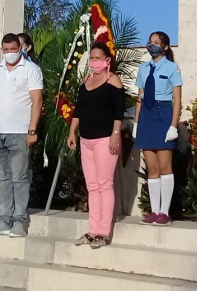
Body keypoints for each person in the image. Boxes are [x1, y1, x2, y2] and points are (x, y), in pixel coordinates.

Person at [0, 32, 44, 237]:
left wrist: (32, 130)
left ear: (20, 48)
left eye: (13, 49)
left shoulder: (31, 70)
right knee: (4, 178)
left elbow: (37, 101)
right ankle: (4, 219)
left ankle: (19, 221)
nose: (9, 53)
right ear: (2, 50)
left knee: (19, 178)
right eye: (6, 50)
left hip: (20, 132)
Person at [67, 42, 125, 248]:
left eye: (98, 58)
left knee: (104, 183)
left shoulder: (113, 81)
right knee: (92, 185)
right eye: (92, 57)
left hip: (105, 139)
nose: (94, 61)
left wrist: (115, 134)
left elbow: (119, 111)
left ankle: (104, 232)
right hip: (86, 139)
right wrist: (72, 131)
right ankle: (93, 229)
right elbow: (78, 111)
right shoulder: (86, 81)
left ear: (107, 60)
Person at [133, 31, 182, 225]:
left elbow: (177, 100)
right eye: (150, 41)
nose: (151, 45)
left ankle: (164, 212)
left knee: (164, 167)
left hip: (163, 116)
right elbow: (139, 96)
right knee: (152, 167)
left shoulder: (172, 68)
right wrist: (137, 122)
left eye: (156, 42)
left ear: (165, 47)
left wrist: (173, 125)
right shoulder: (143, 68)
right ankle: (153, 211)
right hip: (146, 115)